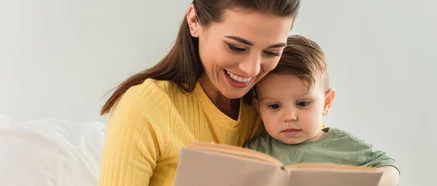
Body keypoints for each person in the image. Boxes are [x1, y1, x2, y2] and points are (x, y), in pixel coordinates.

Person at [97, 0, 301, 185]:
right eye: (236, 47)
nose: (252, 69)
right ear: (195, 21)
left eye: (272, 52)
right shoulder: (146, 108)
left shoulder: (276, 109)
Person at [244, 35, 401, 186]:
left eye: (303, 103)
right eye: (274, 106)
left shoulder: (343, 146)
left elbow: (389, 170)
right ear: (258, 108)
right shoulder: (256, 152)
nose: (289, 116)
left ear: (326, 102)